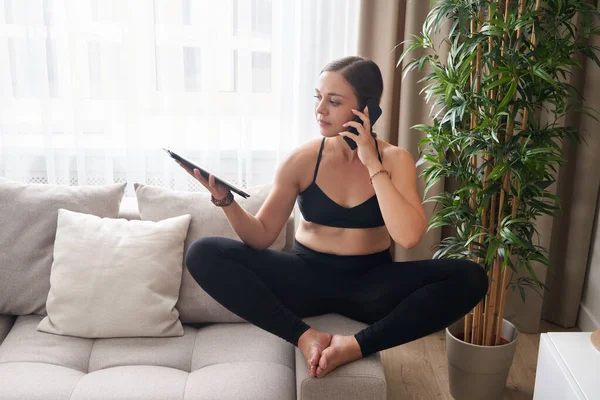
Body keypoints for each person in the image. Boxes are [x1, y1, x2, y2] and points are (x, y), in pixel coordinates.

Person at [177, 56, 488, 379]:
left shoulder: (396, 160)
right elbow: (261, 235)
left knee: (471, 277)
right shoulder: (302, 159)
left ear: (366, 109)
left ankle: (353, 346)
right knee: (203, 253)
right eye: (318, 97)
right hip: (304, 278)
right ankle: (304, 336)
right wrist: (225, 200)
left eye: (334, 101)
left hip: (372, 284)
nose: (320, 109)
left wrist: (371, 162)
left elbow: (408, 237)